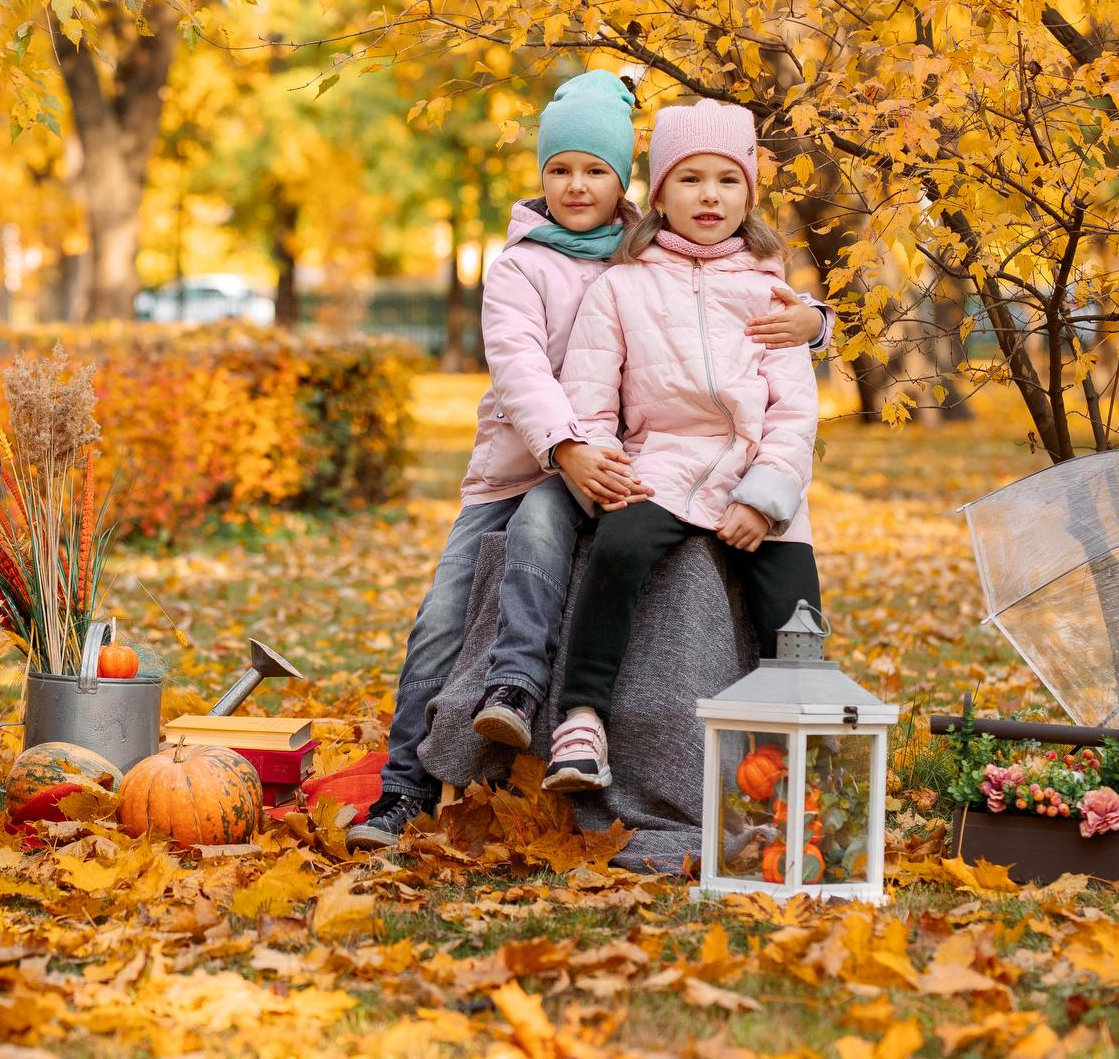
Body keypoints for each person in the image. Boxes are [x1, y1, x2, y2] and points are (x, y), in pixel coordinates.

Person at [346, 75, 828, 849]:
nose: (579, 185)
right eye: (561, 168)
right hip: (528, 468)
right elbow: (524, 369)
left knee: (789, 620)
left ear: (627, 183)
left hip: (637, 463)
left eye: (597, 169)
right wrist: (572, 449)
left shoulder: (659, 254)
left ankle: (793, 796)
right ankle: (433, 763)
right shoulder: (528, 267)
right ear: (541, 177)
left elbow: (767, 349)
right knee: (448, 613)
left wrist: (816, 324)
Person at [546, 99, 822, 791]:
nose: (709, 195)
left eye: (728, 180)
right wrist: (606, 473)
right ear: (660, 193)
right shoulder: (621, 287)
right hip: (661, 464)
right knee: (618, 548)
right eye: (689, 179)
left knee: (795, 615)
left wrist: (765, 499)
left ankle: (787, 762)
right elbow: (589, 399)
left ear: (749, 194)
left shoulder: (771, 295)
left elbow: (795, 411)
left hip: (755, 472)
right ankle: (582, 719)